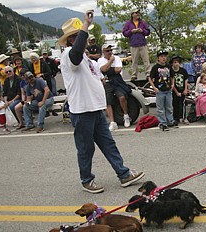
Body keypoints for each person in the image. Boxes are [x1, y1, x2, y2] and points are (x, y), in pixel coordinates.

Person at [59, 12, 145, 193]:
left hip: (95, 108)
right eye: (79, 36)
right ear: (71, 40)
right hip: (82, 110)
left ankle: (123, 174)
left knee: (108, 143)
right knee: (86, 148)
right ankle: (86, 180)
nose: (85, 38)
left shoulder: (85, 57)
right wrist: (85, 24)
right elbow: (75, 56)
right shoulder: (68, 54)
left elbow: (97, 75)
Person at [98, 43, 132, 130]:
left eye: (111, 50)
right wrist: (110, 62)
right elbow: (103, 70)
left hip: (117, 81)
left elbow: (118, 70)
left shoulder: (116, 58)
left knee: (122, 97)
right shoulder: (100, 60)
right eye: (107, 51)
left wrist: (107, 70)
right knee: (108, 102)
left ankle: (126, 115)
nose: (110, 52)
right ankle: (112, 122)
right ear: (103, 52)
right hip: (108, 83)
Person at [148, 50, 175, 131]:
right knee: (160, 108)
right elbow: (150, 78)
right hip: (160, 90)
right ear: (158, 58)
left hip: (168, 89)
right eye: (162, 56)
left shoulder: (168, 66)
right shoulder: (155, 67)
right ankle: (162, 123)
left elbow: (172, 76)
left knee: (169, 107)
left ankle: (170, 121)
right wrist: (154, 87)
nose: (164, 58)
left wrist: (172, 84)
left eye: (165, 56)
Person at [122, 9, 151, 81]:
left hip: (142, 43)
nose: (138, 14)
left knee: (146, 60)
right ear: (132, 14)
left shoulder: (142, 22)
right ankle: (134, 75)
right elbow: (124, 33)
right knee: (134, 61)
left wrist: (142, 31)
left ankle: (148, 74)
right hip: (134, 44)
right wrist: (131, 31)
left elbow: (148, 31)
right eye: (136, 13)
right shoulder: (128, 23)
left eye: (138, 13)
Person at [170, 55, 189, 125]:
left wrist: (186, 89)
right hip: (175, 91)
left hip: (182, 90)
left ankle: (184, 117)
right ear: (172, 64)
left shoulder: (183, 70)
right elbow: (172, 83)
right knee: (175, 104)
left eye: (177, 62)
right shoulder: (171, 72)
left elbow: (186, 80)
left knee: (183, 104)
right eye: (175, 62)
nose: (176, 64)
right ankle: (176, 118)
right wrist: (176, 92)